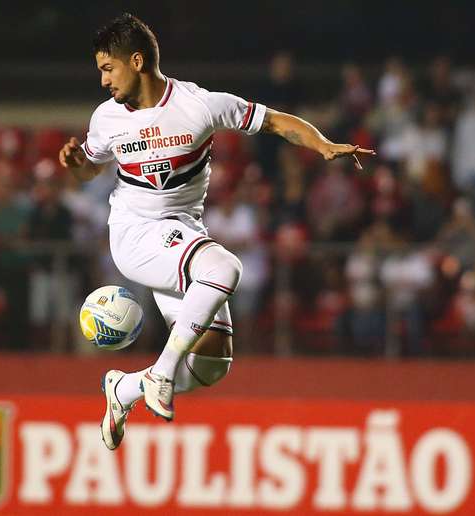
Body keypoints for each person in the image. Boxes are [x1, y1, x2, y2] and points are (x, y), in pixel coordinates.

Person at [58, 13, 374, 450]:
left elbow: (276, 120)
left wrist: (321, 144)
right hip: (135, 234)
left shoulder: (199, 105)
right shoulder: (106, 118)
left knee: (212, 365)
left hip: (182, 235)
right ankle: (163, 374)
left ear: (136, 61)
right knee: (225, 268)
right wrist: (78, 165)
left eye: (107, 68)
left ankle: (124, 388)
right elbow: (91, 168)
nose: (103, 80)